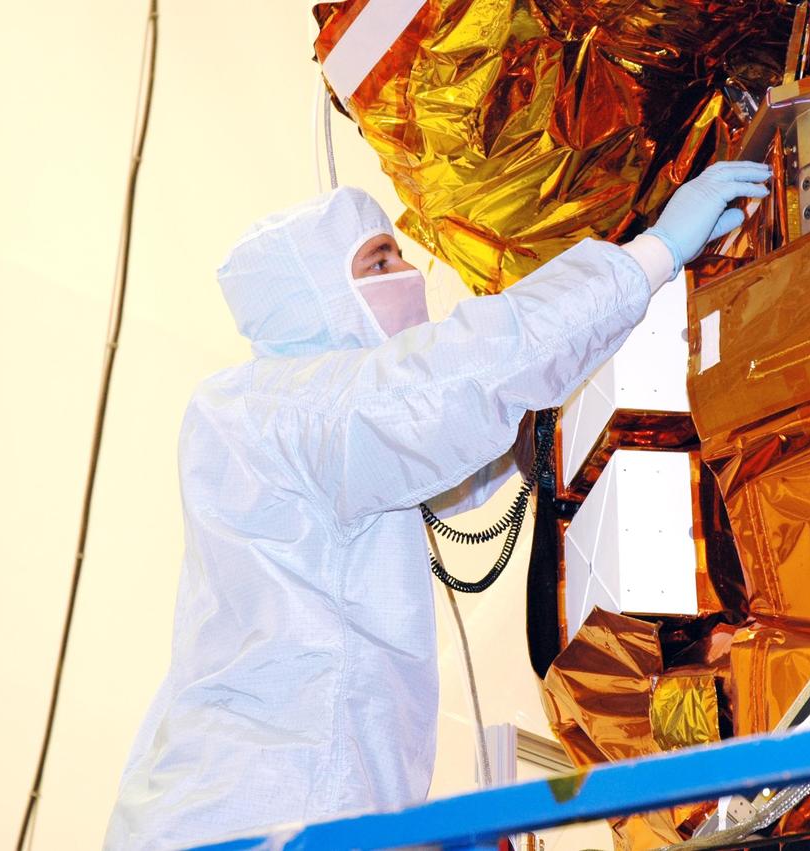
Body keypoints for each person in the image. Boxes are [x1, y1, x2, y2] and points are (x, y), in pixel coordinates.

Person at [104, 161, 772, 849]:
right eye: (379, 258)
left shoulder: (311, 435)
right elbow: (447, 383)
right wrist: (651, 255)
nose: (410, 272)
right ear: (317, 300)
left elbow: (445, 450)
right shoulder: (270, 408)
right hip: (252, 823)